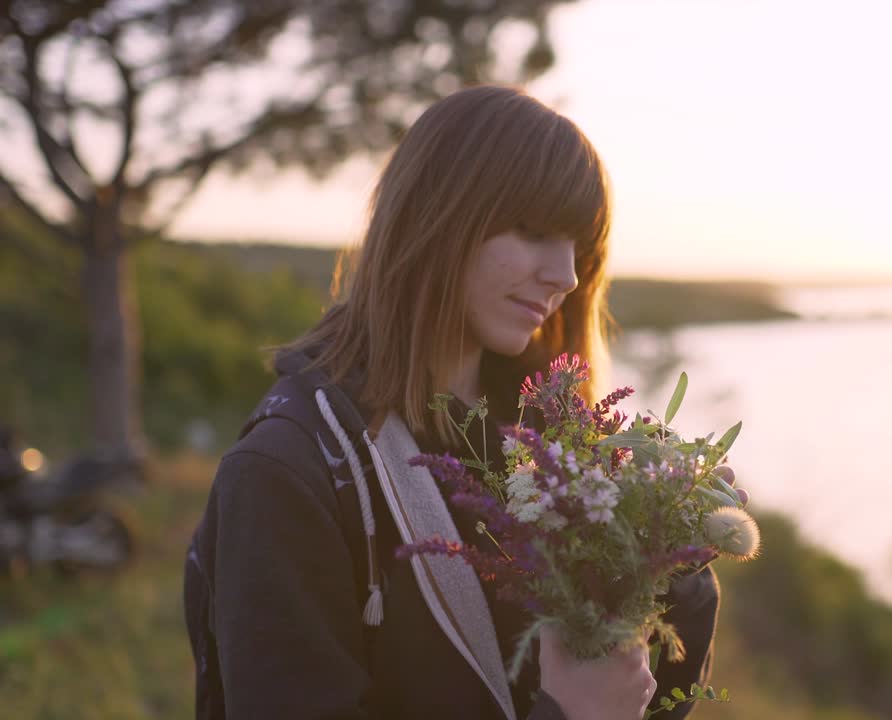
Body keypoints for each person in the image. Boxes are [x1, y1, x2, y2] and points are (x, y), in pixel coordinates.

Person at [183, 85, 726, 720]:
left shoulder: (555, 456)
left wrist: (669, 562)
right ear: (437, 215)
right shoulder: (289, 473)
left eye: (579, 248)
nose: (567, 275)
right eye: (533, 231)